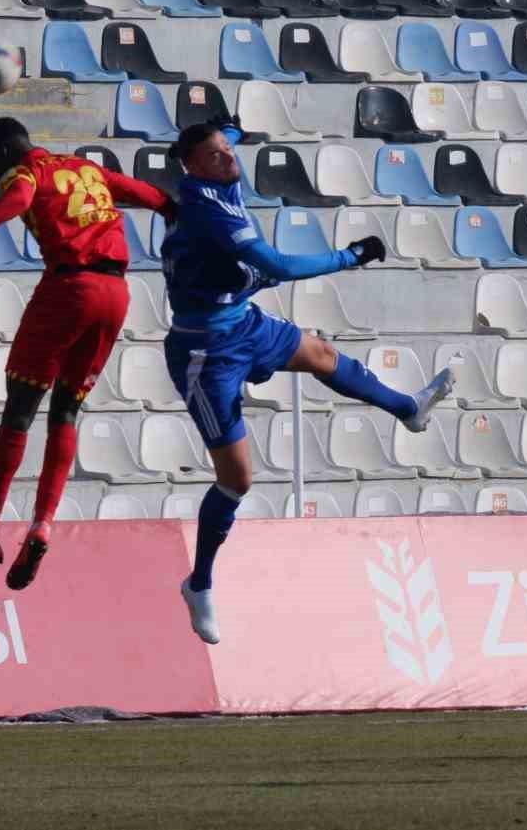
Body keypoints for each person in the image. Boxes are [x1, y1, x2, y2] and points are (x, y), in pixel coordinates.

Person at [161, 119, 456, 645]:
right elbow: (276, 263)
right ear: (193, 166)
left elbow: (229, 140)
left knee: (319, 351)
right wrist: (350, 256)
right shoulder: (207, 207)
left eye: (229, 150)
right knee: (238, 480)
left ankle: (407, 408)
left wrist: (234, 129)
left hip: (242, 324)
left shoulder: (218, 176)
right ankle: (199, 583)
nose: (229, 158)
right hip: (206, 353)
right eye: (216, 154)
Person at [0, 117, 176, 589]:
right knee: (66, 414)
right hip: (117, 295)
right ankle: (42, 524)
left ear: (6, 151)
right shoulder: (86, 169)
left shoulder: (26, 173)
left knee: (19, 413)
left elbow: (20, 199)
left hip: (68, 289)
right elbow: (156, 199)